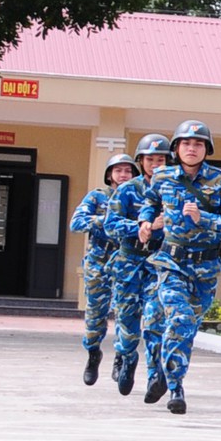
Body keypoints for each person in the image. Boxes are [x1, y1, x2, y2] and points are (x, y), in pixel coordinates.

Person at [144, 120, 221, 417]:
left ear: (206, 149)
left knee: (187, 329)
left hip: (205, 267)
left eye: (198, 144)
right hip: (171, 263)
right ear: (176, 148)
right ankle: (175, 386)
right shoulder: (162, 177)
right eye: (186, 143)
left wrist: (204, 218)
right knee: (180, 318)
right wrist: (145, 222)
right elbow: (150, 203)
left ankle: (165, 370)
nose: (191, 148)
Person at [107, 134, 173, 397]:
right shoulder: (128, 189)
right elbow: (110, 225)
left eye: (161, 160)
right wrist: (140, 226)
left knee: (156, 317)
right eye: (150, 160)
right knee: (126, 317)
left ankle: (156, 373)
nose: (155, 165)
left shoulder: (175, 188)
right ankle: (127, 357)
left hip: (159, 262)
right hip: (129, 262)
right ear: (141, 162)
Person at [71, 154, 136, 385]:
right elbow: (76, 223)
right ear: (109, 175)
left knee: (125, 313)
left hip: (126, 261)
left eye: (127, 171)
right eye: (118, 170)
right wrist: (105, 220)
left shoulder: (138, 198)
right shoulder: (97, 196)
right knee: (95, 313)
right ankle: (93, 353)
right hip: (99, 261)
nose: (123, 175)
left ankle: (120, 358)